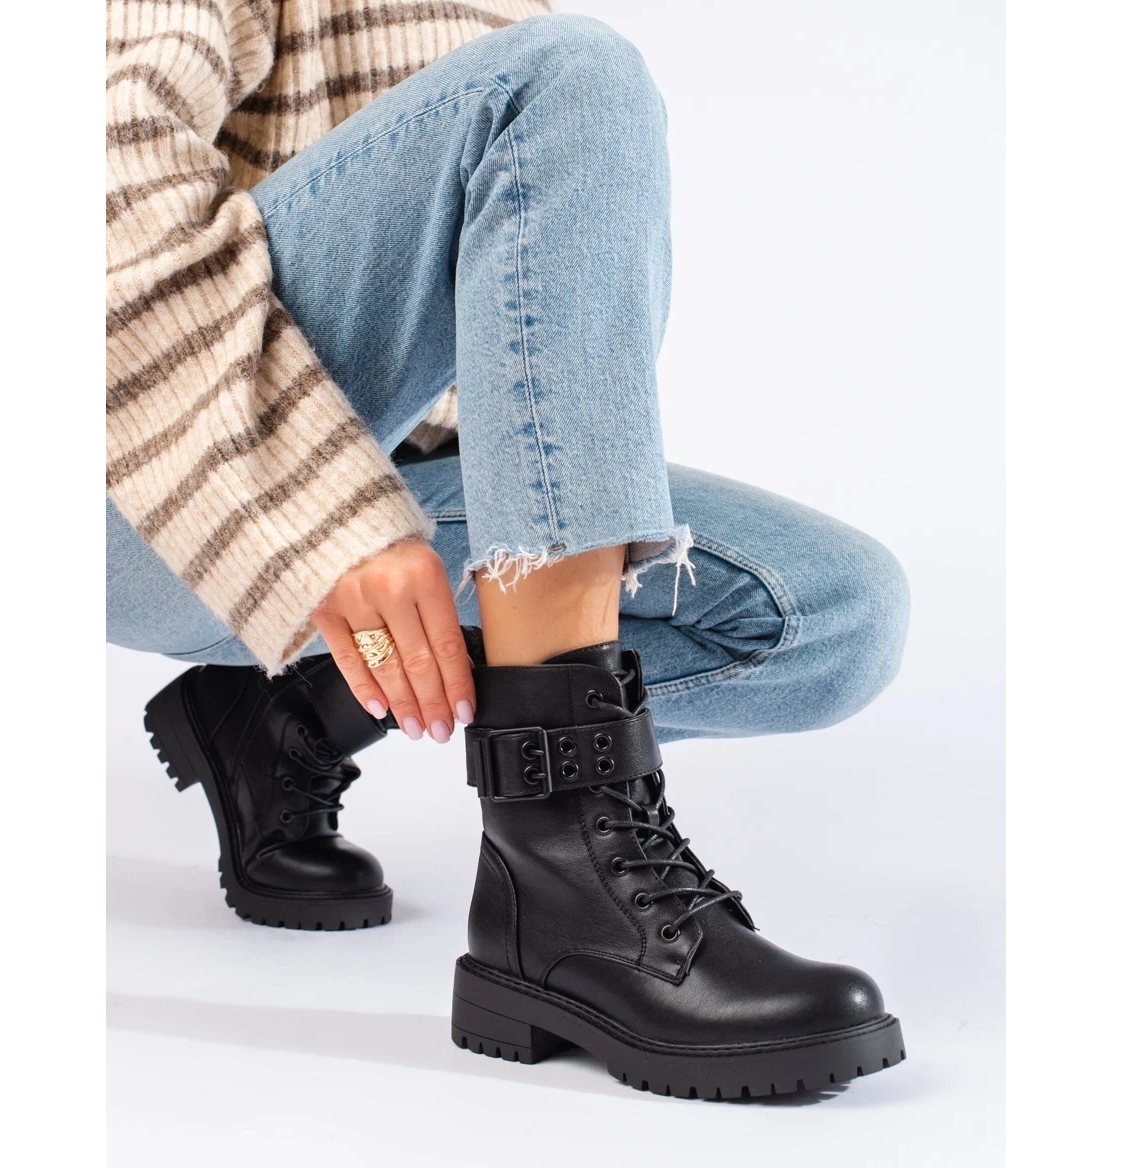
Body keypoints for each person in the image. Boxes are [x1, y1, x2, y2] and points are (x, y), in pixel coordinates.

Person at [107, 1, 911, 1099]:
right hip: (133, 477)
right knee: (570, 79)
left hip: (378, 479)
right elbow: (99, 195)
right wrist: (319, 511)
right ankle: (565, 862)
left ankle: (289, 714)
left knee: (834, 616)